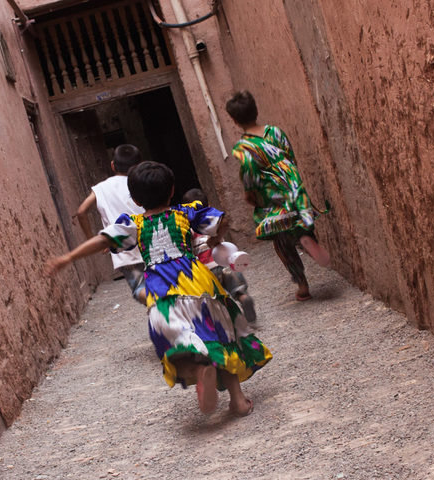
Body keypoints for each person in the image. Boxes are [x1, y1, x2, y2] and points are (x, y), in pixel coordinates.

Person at [45, 161, 271, 416]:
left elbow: (102, 240)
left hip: (163, 289)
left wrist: (68, 258)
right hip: (199, 280)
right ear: (172, 190)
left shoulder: (134, 224)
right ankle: (238, 400)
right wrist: (216, 239)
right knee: (223, 333)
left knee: (178, 334)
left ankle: (199, 366)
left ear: (136, 200)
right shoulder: (186, 213)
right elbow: (221, 220)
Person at [226, 90, 330, 301]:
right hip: (291, 184)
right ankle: (306, 237)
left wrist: (250, 194)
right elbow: (290, 156)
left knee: (281, 240)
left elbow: (249, 173)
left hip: (270, 196)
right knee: (299, 221)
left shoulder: (243, 147)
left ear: (235, 121)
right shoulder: (276, 131)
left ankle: (301, 284)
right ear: (256, 110)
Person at [75, 144, 146, 305]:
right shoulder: (142, 182)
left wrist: (94, 241)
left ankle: (156, 305)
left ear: (113, 165)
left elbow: (81, 211)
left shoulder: (101, 188)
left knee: (139, 288)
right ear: (139, 165)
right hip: (149, 243)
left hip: (124, 251)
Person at [181, 188, 257, 325]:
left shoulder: (188, 227)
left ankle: (225, 318)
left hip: (207, 270)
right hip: (226, 264)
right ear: (208, 205)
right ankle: (244, 298)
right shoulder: (214, 221)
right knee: (237, 289)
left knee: (215, 297)